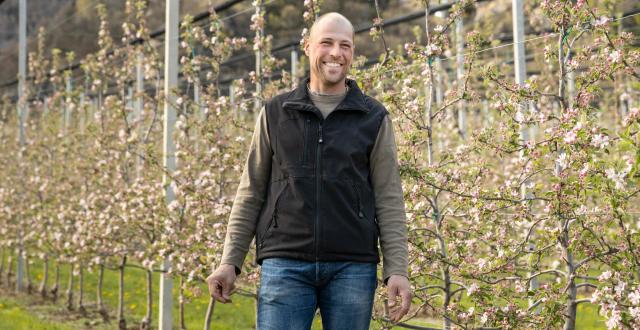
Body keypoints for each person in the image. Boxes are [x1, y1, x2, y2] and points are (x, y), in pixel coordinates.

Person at [207, 12, 410, 329]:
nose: (336, 53)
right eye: (326, 42)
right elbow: (251, 191)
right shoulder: (276, 112)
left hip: (352, 266)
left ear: (352, 53)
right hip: (284, 262)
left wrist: (397, 269)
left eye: (345, 45)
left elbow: (388, 196)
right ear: (307, 46)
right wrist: (229, 261)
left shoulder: (373, 117)